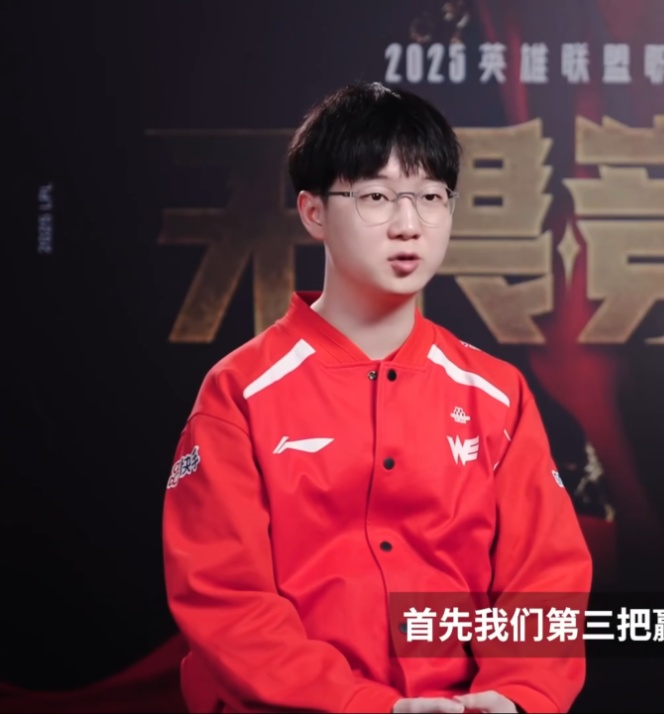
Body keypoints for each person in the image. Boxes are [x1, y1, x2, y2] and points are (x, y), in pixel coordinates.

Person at [160, 82, 593, 714]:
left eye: (430, 197)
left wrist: (519, 697)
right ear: (313, 212)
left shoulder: (496, 393)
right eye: (376, 197)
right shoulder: (241, 391)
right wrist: (367, 706)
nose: (408, 224)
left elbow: (544, 576)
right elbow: (224, 597)